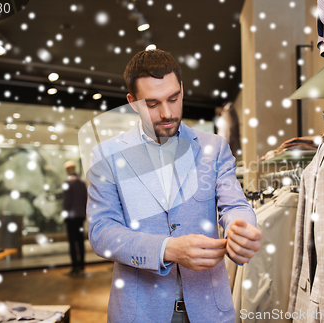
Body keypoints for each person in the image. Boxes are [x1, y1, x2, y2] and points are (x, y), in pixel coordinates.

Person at [86, 49, 262, 323]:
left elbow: (235, 205)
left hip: (210, 309)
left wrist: (242, 227)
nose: (167, 112)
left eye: (174, 98)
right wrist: (167, 248)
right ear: (132, 102)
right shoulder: (106, 156)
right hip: (139, 312)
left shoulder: (214, 148)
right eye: (152, 103)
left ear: (181, 89)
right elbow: (102, 232)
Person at [63, 160, 88, 276]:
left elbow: (66, 202)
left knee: (73, 243)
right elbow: (85, 200)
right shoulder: (82, 183)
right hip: (81, 216)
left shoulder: (68, 183)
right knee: (80, 241)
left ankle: (74, 267)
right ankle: (82, 265)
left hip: (71, 217)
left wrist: (65, 214)